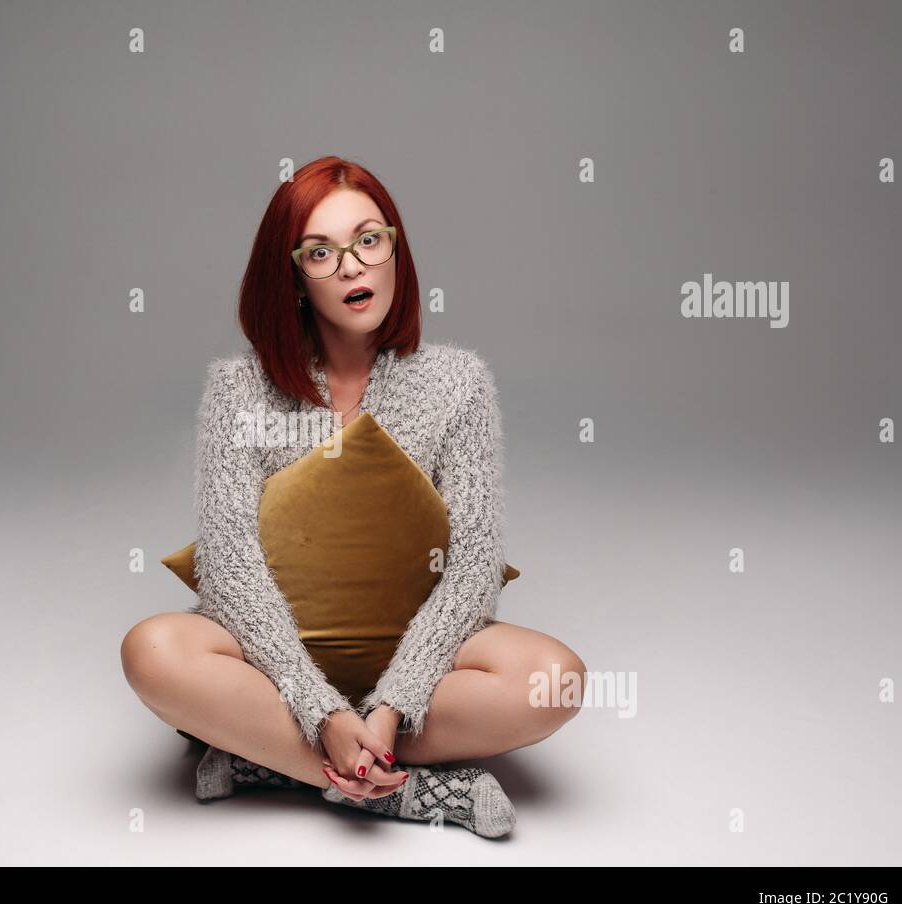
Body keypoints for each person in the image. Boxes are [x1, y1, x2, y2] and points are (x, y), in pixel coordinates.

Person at [121, 156, 585, 838]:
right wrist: (321, 709)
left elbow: (473, 566)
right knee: (152, 650)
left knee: (556, 678)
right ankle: (407, 791)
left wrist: (392, 703)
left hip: (414, 662)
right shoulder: (238, 388)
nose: (352, 266)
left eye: (369, 239)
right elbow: (229, 564)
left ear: (396, 248)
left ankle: (269, 761)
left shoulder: (458, 383)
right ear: (296, 279)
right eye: (320, 251)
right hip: (273, 665)